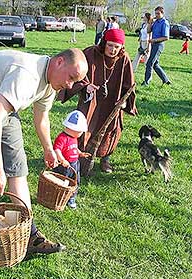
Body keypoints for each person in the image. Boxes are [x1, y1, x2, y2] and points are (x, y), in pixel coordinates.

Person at [0, 49, 88, 254]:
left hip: (1, 105)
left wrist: (48, 149)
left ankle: (30, 234)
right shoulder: (27, 76)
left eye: (75, 82)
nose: (70, 85)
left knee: (18, 170)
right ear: (59, 62)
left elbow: (41, 117)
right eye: (71, 78)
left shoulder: (51, 83)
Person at [58, 29, 137, 174]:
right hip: (91, 99)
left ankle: (105, 159)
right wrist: (85, 85)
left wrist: (125, 102)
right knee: (85, 126)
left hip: (113, 100)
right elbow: (76, 70)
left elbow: (129, 83)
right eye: (110, 45)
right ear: (104, 43)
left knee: (111, 129)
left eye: (116, 47)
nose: (113, 50)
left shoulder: (123, 58)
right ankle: (79, 158)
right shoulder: (91, 53)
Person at [52, 110, 90, 209]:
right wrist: (62, 160)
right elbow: (56, 150)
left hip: (74, 164)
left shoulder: (73, 137)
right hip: (64, 166)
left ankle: (71, 197)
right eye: (81, 131)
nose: (81, 134)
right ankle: (59, 197)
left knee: (75, 181)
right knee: (63, 181)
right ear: (74, 129)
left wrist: (80, 153)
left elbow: (73, 148)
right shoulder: (62, 138)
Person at [141, 6, 170, 86]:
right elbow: (148, 31)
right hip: (154, 45)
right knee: (155, 64)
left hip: (159, 45)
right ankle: (166, 80)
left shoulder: (164, 23)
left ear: (162, 13)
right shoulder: (156, 22)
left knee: (149, 63)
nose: (156, 15)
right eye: (155, 13)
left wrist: (154, 40)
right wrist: (150, 23)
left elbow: (166, 37)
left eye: (158, 13)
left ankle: (146, 82)